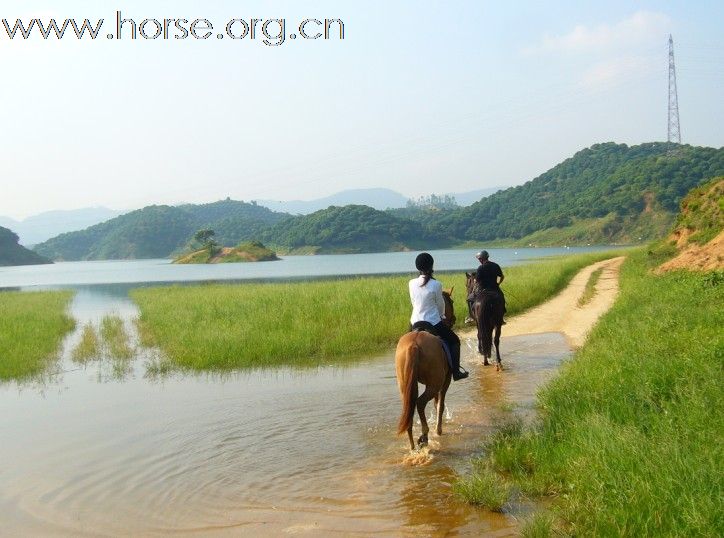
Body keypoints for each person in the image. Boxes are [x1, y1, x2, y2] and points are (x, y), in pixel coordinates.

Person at [409, 252, 468, 380]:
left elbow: (413, 302)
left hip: (415, 321)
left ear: (417, 267)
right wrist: (442, 316)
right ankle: (456, 372)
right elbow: (440, 305)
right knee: (454, 341)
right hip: (432, 323)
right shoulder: (436, 284)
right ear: (431, 266)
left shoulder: (411, 283)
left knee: (405, 342)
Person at [467, 250, 506, 324]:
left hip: (482, 289)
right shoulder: (495, 265)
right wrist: (498, 284)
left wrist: (475, 281)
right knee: (501, 297)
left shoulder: (480, 268)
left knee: (469, 299)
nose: (479, 260)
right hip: (495, 288)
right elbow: (502, 277)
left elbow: (477, 281)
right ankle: (501, 317)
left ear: (481, 259)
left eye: (479, 259)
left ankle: (472, 316)